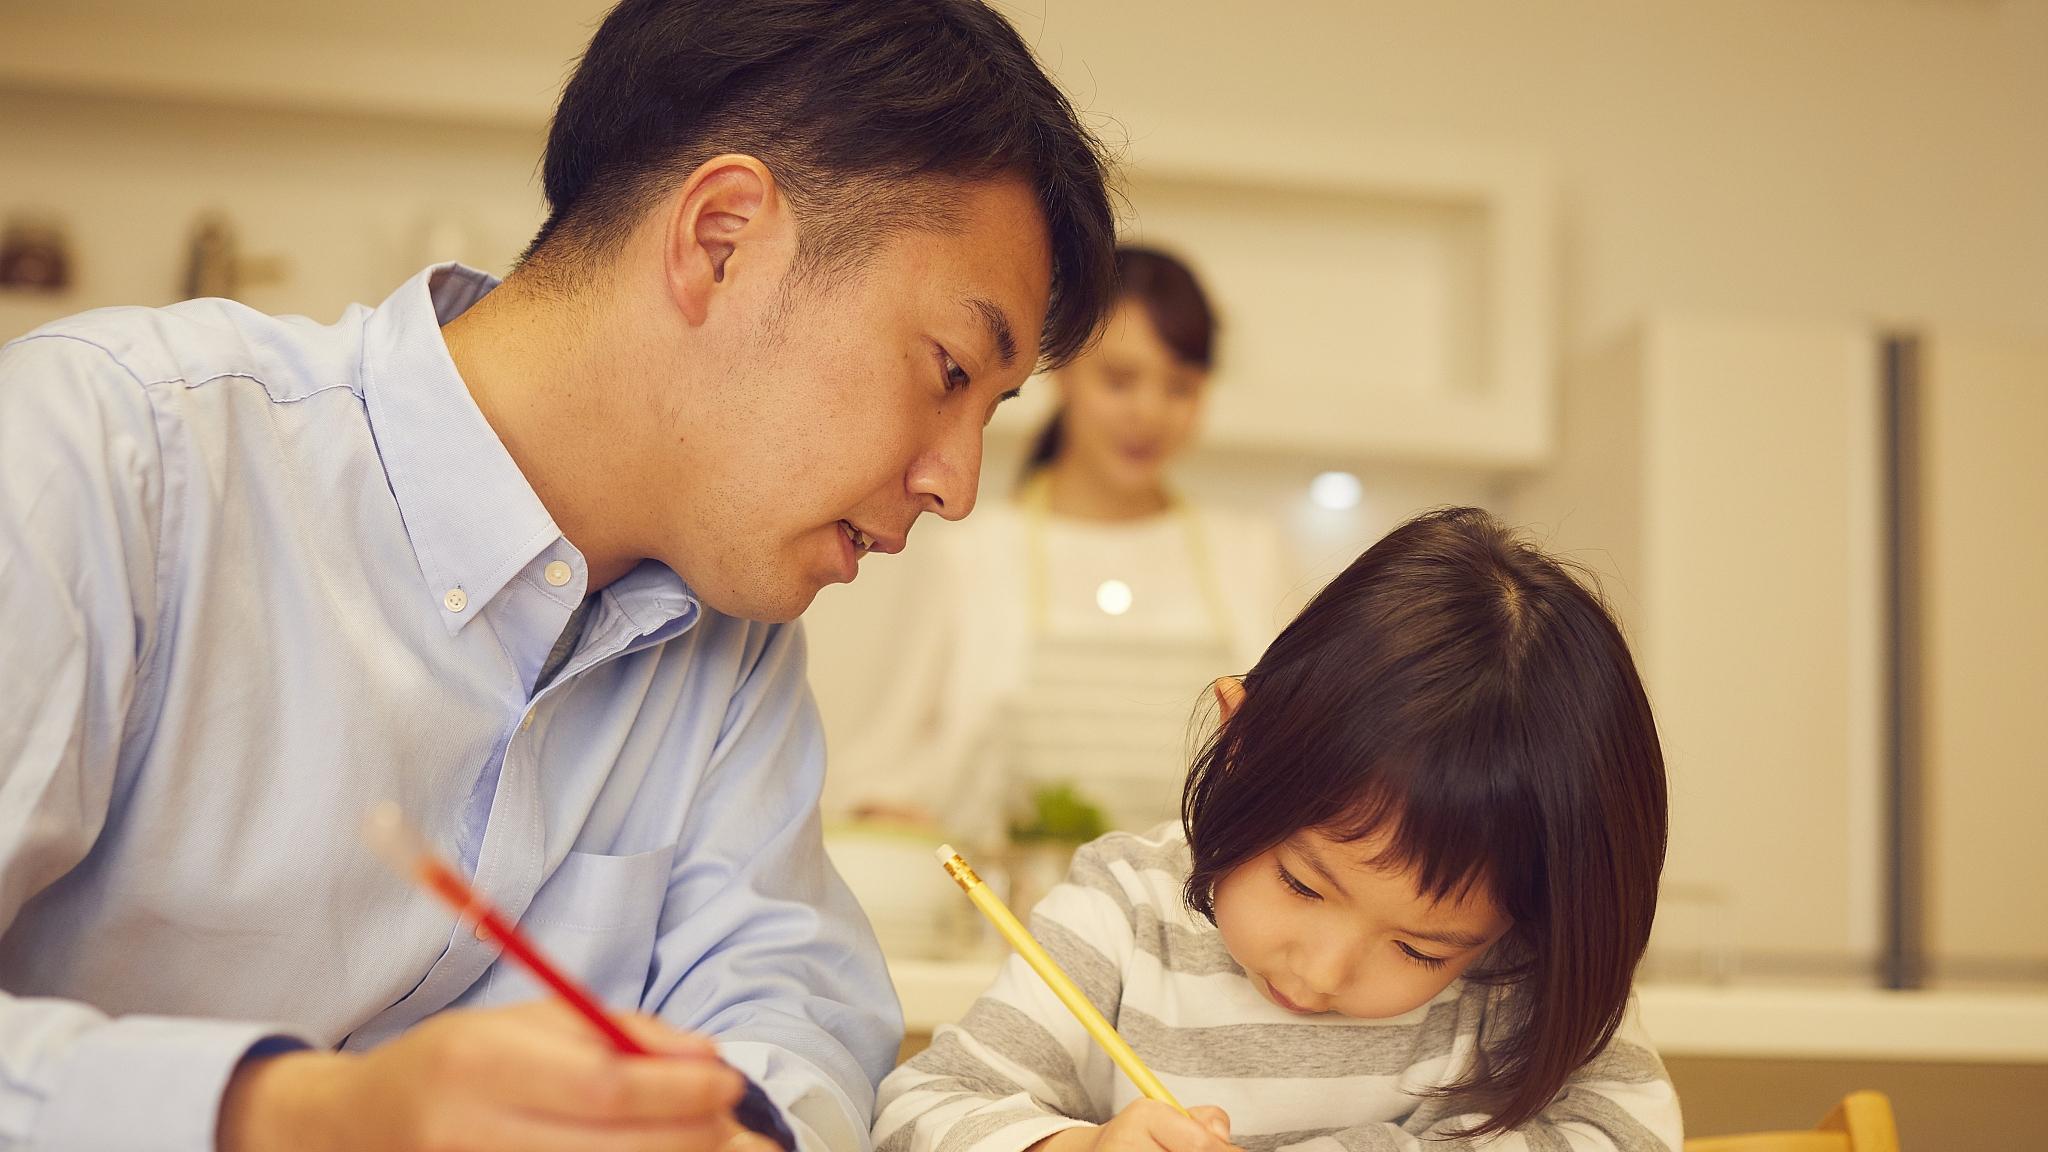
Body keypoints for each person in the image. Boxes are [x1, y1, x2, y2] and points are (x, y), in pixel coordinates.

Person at [0, 2, 1117, 1150]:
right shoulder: (109, 454)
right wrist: (299, 1117)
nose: (959, 485)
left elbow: (792, 1004)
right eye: (945, 371)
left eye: (993, 409)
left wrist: (734, 1125)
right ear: (721, 239)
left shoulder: (729, 640)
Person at [871, 508, 1681, 1152]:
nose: (1323, 972)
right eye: (1302, 883)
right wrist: (1073, 1148)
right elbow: (922, 1111)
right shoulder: (1124, 913)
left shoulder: (1517, 965)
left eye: (1421, 950)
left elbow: (1627, 1134)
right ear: (1239, 743)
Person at [826, 247, 1285, 840]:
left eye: (1180, 388)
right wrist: (894, 818)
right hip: (1013, 919)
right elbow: (882, 770)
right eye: (1120, 380)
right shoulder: (978, 552)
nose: (1148, 412)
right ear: (1063, 369)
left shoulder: (1250, 554)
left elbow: (1293, 767)